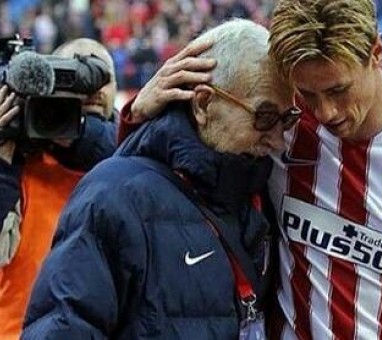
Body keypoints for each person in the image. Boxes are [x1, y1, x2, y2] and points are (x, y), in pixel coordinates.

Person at [119, 2, 382, 338]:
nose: (326, 112)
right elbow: (166, 189)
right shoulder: (283, 126)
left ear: (377, 51)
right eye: (309, 94)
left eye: (338, 90)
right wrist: (135, 116)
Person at [22, 19, 295, 339]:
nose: (278, 140)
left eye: (288, 118)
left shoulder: (266, 183)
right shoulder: (113, 196)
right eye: (264, 117)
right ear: (204, 103)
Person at [0, 38, 118, 339]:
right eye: (73, 73)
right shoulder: (17, 158)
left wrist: (84, 135)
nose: (93, 88)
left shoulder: (135, 157)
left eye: (104, 77)